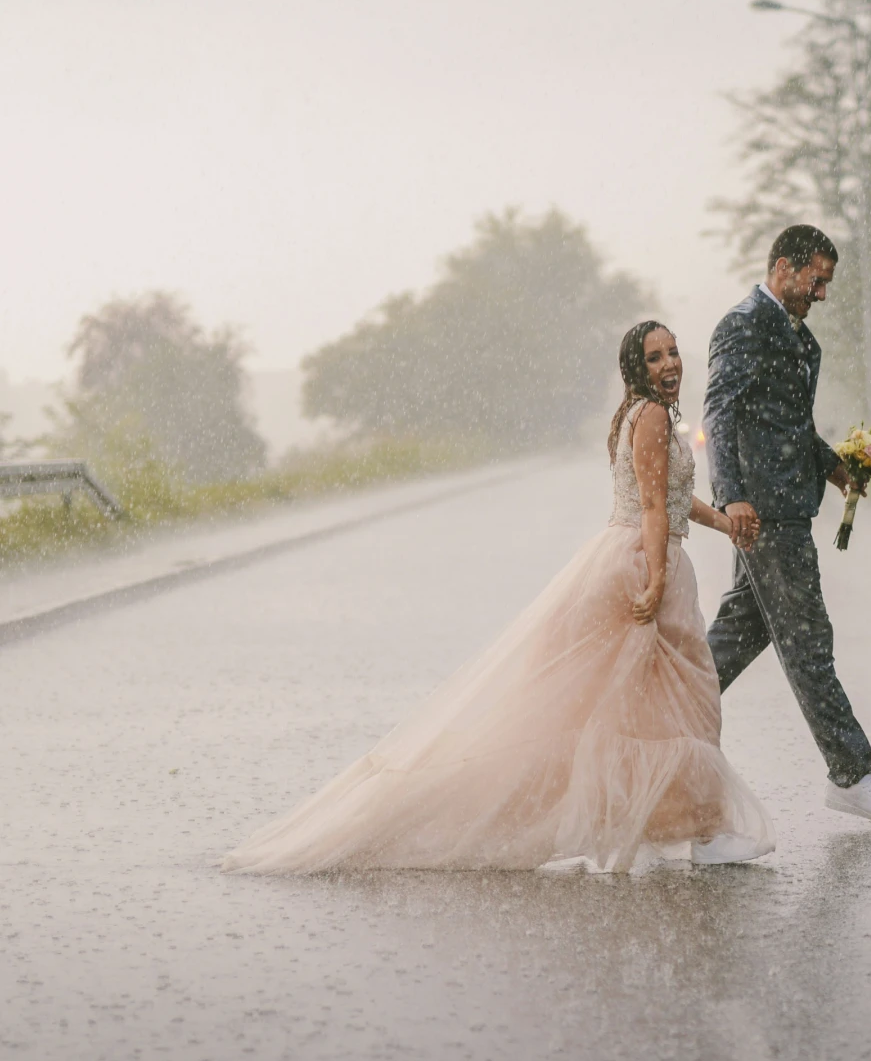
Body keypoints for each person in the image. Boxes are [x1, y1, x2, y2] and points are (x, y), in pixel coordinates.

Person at [223, 323, 773, 875]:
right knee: (688, 698)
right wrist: (655, 581)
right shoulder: (651, 416)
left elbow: (673, 500)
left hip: (638, 556)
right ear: (637, 369)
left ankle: (665, 823)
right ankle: (702, 832)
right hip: (644, 564)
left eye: (673, 352)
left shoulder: (641, 414)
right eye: (655, 358)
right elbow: (654, 508)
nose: (670, 364)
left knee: (645, 708)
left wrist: (723, 523)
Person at [703, 224, 871, 824]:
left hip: (786, 506)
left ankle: (655, 720)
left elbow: (792, 429)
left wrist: (838, 469)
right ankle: (852, 773)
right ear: (782, 268)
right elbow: (718, 412)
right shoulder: (744, 325)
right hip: (765, 514)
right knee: (808, 643)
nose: (821, 293)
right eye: (815, 280)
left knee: (738, 636)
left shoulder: (801, 339)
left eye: (826, 283)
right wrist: (730, 497)